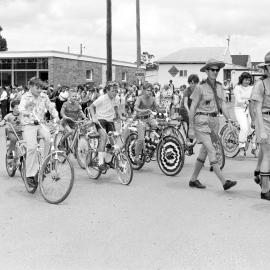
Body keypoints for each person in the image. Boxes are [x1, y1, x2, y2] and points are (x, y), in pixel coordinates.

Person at [188, 59, 237, 190]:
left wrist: (229, 120)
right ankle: (224, 181)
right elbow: (192, 107)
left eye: (217, 70)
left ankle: (193, 180)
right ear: (206, 71)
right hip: (202, 121)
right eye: (212, 70)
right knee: (211, 150)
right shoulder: (200, 87)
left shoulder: (220, 87)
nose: (215, 72)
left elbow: (223, 105)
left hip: (214, 122)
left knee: (204, 152)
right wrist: (191, 128)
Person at [18, 77, 59, 187]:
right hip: (29, 124)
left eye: (41, 88)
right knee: (32, 147)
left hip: (40, 124)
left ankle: (44, 165)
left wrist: (56, 116)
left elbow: (51, 107)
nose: (40, 90)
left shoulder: (44, 96)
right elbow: (21, 108)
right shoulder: (25, 97)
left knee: (49, 139)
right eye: (37, 88)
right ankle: (30, 175)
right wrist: (26, 113)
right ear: (31, 87)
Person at [250, 51, 270, 200]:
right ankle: (264, 190)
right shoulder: (260, 84)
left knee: (267, 154)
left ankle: (259, 174)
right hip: (264, 120)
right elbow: (256, 108)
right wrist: (261, 130)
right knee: (267, 154)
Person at [89, 82, 120, 169]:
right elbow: (91, 107)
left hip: (110, 120)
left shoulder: (115, 98)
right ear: (107, 91)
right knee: (104, 137)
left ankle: (108, 160)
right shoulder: (102, 98)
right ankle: (100, 162)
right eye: (113, 91)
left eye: (116, 91)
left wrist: (120, 116)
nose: (115, 92)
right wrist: (94, 117)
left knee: (113, 141)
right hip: (100, 119)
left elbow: (116, 108)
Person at [134, 83, 158, 164]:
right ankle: (136, 157)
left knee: (158, 126)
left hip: (149, 117)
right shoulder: (140, 98)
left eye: (151, 90)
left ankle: (152, 148)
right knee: (140, 139)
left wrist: (160, 110)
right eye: (148, 90)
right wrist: (142, 111)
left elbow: (156, 108)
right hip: (141, 119)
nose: (149, 92)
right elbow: (135, 107)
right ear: (144, 91)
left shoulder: (153, 98)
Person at [233, 72, 256, 157]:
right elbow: (239, 100)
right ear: (241, 79)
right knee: (244, 127)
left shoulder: (252, 88)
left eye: (249, 80)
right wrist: (248, 101)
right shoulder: (237, 88)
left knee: (254, 127)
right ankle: (241, 148)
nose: (247, 81)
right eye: (246, 79)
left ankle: (254, 147)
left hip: (250, 108)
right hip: (239, 109)